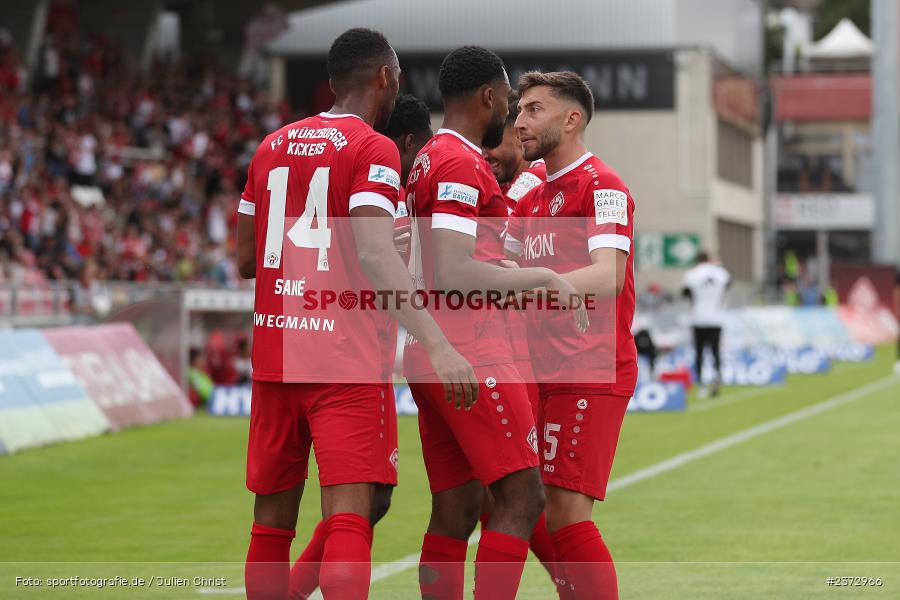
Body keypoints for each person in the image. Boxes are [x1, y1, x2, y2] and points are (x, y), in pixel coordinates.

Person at [236, 28, 477, 600]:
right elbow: (372, 254)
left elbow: (247, 259)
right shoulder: (373, 148)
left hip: (276, 353)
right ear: (385, 77)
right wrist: (438, 343)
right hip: (343, 359)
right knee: (349, 514)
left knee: (270, 524)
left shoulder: (270, 146)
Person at [404, 46, 585, 600]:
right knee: (522, 497)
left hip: (433, 350)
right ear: (488, 96)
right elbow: (455, 269)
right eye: (509, 100)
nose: (510, 111)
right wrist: (543, 278)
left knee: (456, 507)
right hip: (471, 349)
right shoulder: (459, 161)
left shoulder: (429, 157)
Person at [288, 92, 433, 600]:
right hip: (354, 358)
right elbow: (381, 264)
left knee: (365, 499)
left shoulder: (314, 164)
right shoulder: (382, 189)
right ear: (407, 143)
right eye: (420, 155)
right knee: (358, 501)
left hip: (303, 348)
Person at [506, 70, 638, 599]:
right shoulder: (531, 191)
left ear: (571, 119)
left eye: (534, 109)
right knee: (526, 504)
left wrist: (536, 281)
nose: (519, 120)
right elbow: (498, 269)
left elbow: (608, 275)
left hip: (591, 367)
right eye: (519, 109)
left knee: (565, 511)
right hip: (539, 370)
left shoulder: (602, 186)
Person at [483, 94, 566, 598]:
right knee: (493, 499)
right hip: (489, 353)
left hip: (516, 356)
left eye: (496, 143)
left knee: (511, 496)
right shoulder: (492, 184)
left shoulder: (534, 180)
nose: (488, 153)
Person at [681, 251, 731, 396]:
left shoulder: (692, 274)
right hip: (716, 318)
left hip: (698, 318)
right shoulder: (720, 272)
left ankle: (701, 384)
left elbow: (685, 293)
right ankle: (717, 377)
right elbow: (729, 284)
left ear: (697, 260)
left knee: (699, 353)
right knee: (715, 351)